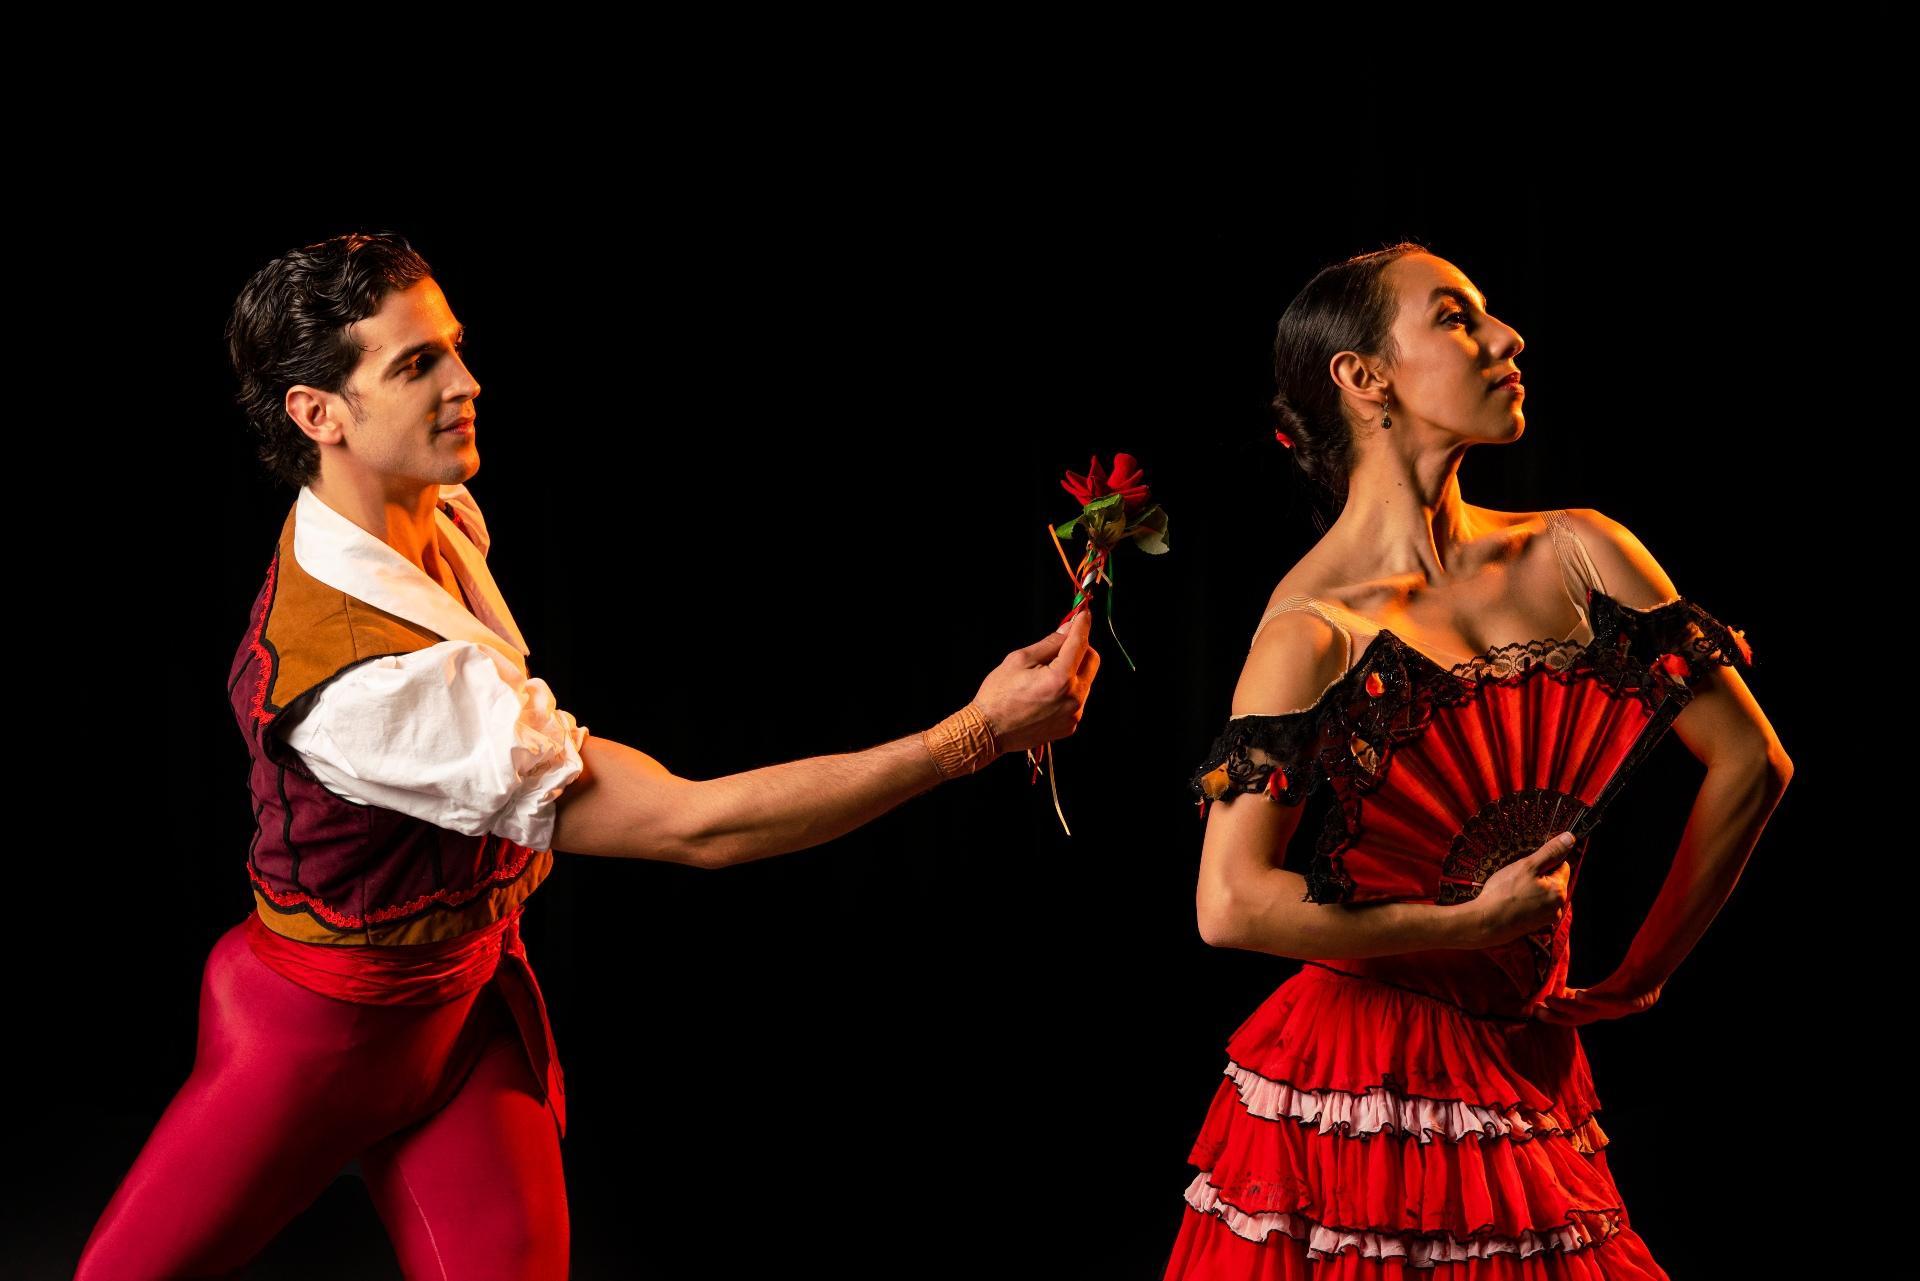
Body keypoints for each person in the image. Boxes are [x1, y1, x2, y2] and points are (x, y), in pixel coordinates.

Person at [74, 231, 1100, 1281]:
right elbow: (698, 828)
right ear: (318, 414)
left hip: (462, 1017)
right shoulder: (361, 685)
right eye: (415, 365)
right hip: (313, 1039)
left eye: (455, 348)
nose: (466, 383)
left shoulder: (432, 511)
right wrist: (973, 736)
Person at [1162, 243, 1791, 1278]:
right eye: (1456, 318)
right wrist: (1471, 923)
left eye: (1488, 315)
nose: (1507, 338)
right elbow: (1229, 904)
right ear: (1364, 380)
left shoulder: (1582, 550)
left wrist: (1642, 976)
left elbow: (1754, 765)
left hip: (1526, 1045)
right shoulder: (1312, 628)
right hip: (1354, 1078)